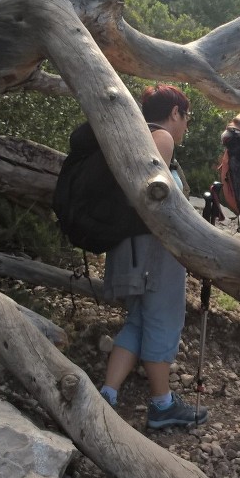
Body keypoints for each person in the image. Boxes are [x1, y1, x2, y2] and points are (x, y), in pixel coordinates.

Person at [97, 84, 209, 429]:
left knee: (139, 321)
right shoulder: (160, 137)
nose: (185, 125)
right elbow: (154, 198)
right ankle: (162, 406)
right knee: (163, 321)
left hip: (129, 248)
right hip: (153, 250)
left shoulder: (130, 134)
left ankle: (107, 395)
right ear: (175, 112)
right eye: (186, 117)